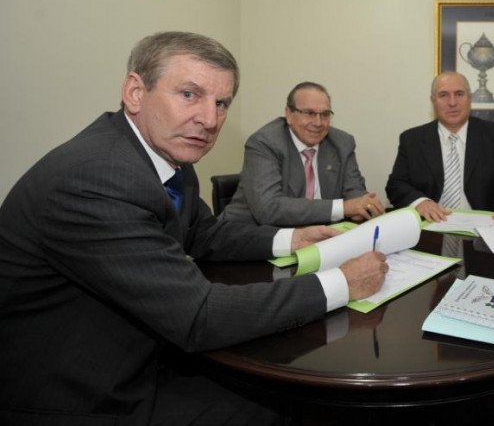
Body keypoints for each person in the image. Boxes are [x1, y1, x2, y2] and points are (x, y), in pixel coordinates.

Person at [0, 32, 388, 425]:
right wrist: (342, 283)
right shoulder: (99, 177)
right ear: (135, 92)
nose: (209, 119)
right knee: (289, 408)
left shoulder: (165, 159)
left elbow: (205, 234)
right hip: (78, 394)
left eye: (221, 103)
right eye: (189, 94)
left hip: (141, 352)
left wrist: (294, 237)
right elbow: (199, 316)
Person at [221, 82, 384, 227]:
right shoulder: (265, 143)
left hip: (312, 240)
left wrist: (364, 205)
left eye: (325, 114)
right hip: (248, 238)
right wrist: (344, 208)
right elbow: (268, 209)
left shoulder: (342, 143)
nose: (318, 123)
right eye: (309, 113)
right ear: (289, 115)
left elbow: (354, 192)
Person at [386, 71, 494, 224]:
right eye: (443, 95)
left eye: (459, 94)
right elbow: (396, 185)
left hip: (485, 228)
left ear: (470, 99)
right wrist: (420, 203)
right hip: (431, 226)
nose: (452, 102)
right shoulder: (412, 139)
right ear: (433, 101)